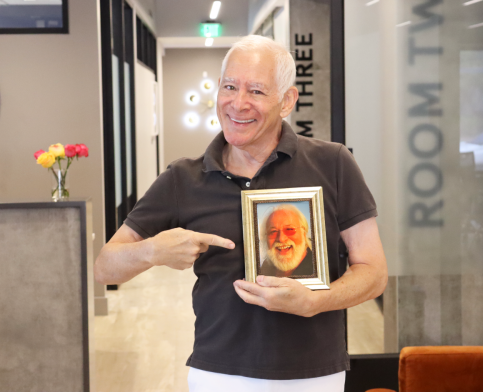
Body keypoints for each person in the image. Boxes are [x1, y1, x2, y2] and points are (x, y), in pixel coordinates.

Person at [94, 35, 387, 392]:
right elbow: (105, 266)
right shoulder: (182, 178)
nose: (238, 103)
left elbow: (374, 272)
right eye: (230, 87)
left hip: (314, 373)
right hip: (218, 373)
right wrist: (153, 251)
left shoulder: (333, 163)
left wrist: (315, 302)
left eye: (257, 92)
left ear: (287, 101)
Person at [260, 204, 314, 277]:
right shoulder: (266, 266)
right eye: (273, 231)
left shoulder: (317, 268)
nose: (281, 239)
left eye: (289, 229)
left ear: (303, 234)